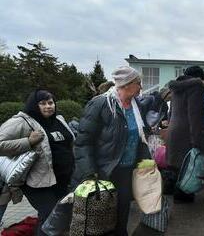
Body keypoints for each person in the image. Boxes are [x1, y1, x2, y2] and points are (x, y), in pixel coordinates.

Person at [71, 66, 151, 236]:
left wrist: (146, 162)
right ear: (126, 84)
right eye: (138, 83)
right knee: (100, 220)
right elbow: (83, 142)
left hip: (127, 171)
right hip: (103, 171)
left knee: (122, 214)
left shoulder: (137, 106)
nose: (141, 87)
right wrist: (89, 173)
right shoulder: (101, 104)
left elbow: (142, 138)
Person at [0, 89, 75, 235]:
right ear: (34, 105)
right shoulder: (22, 121)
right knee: (51, 216)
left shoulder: (59, 119)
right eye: (43, 103)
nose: (48, 106)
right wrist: (27, 141)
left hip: (62, 179)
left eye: (51, 102)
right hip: (37, 183)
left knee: (54, 217)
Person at [166, 65, 204, 203]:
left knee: (175, 164)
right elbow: (195, 115)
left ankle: (171, 191)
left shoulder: (177, 87)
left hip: (173, 129)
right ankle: (183, 196)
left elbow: (171, 111)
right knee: (187, 165)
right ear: (199, 77)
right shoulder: (196, 87)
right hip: (186, 131)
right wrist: (196, 140)